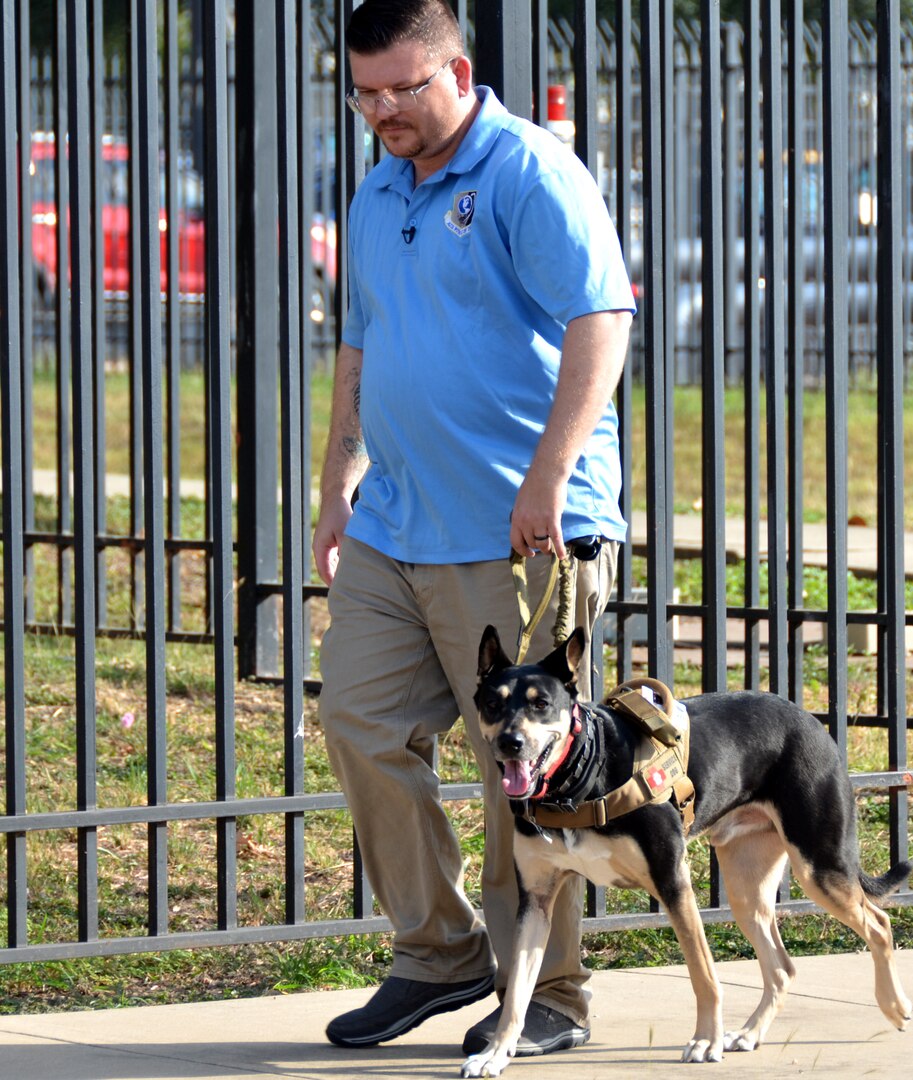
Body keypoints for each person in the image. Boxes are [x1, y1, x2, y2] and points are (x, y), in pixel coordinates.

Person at [313, 0, 635, 1058]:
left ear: (457, 69)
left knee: (529, 769)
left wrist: (549, 478)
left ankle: (548, 994)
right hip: (396, 525)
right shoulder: (376, 191)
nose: (383, 109)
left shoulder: (526, 171)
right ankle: (439, 954)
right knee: (359, 722)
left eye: (404, 86)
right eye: (365, 91)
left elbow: (601, 319)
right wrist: (335, 489)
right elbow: (362, 348)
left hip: (519, 530)